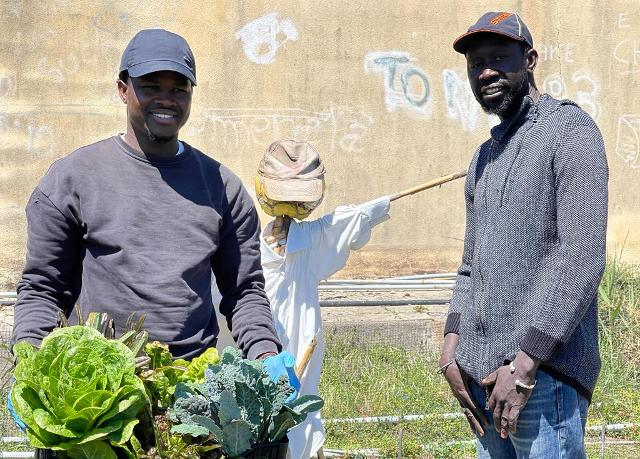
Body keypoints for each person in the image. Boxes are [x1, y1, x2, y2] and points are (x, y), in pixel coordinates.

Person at [11, 29, 284, 363]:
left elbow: (244, 292)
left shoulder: (223, 188)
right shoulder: (72, 179)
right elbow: (43, 288)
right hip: (97, 385)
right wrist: (30, 359)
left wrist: (265, 353)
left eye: (178, 89)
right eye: (152, 87)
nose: (166, 99)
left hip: (191, 385)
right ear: (123, 89)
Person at [439, 12, 608, 458]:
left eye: (499, 57)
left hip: (541, 379)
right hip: (483, 380)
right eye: (476, 63)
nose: (486, 71)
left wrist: (527, 363)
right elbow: (469, 266)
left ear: (530, 60)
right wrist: (451, 346)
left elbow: (582, 257)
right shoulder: (482, 159)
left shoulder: (570, 132)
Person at [255, 140, 391, 459]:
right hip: (253, 360)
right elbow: (348, 222)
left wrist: (376, 206)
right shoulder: (247, 247)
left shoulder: (310, 241)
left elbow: (349, 220)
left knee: (297, 421)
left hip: (301, 368)